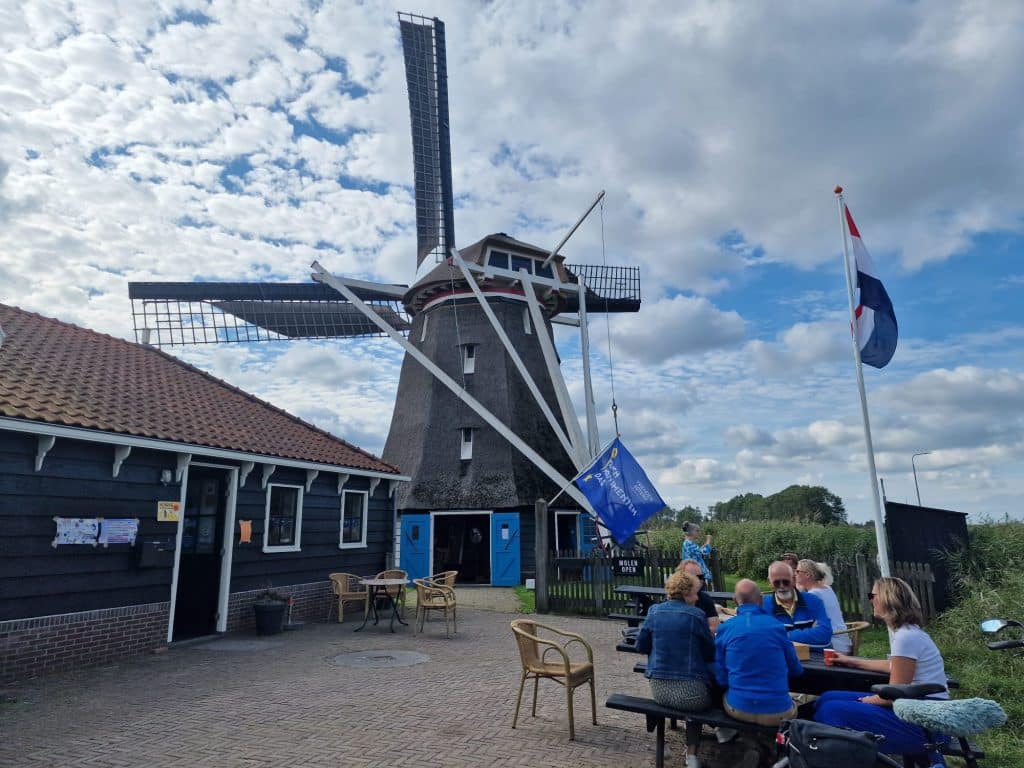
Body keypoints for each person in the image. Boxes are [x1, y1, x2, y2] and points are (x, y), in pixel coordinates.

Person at [814, 577, 949, 760]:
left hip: (926, 720)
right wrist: (850, 660)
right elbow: (895, 666)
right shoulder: (908, 632)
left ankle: (842, 760)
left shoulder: (906, 637)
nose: (870, 599)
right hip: (919, 708)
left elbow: (893, 694)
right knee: (827, 698)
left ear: (887, 599)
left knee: (832, 710)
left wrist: (864, 701)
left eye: (873, 595)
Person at [635, 571, 715, 768]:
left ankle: (677, 749)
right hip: (692, 695)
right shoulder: (697, 615)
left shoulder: (654, 611)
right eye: (695, 593)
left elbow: (640, 646)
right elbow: (709, 653)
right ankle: (694, 753)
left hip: (659, 690)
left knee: (695, 693)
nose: (697, 597)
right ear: (686, 593)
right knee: (710, 690)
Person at [715, 579, 803, 728]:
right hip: (777, 712)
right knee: (802, 701)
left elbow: (721, 676)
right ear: (761, 599)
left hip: (739, 708)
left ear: (735, 601)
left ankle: (749, 743)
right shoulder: (776, 626)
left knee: (724, 698)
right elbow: (796, 670)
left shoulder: (726, 628)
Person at [762, 560, 832, 647]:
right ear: (770, 582)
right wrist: (810, 633)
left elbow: (824, 634)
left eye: (786, 582)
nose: (781, 586)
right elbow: (762, 639)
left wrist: (786, 635)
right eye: (776, 582)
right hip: (780, 658)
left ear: (794, 579)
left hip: (814, 656)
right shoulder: (763, 607)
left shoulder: (813, 601)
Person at [795, 559, 851, 653]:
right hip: (843, 640)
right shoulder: (827, 588)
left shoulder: (813, 595)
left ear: (807, 575)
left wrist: (799, 592)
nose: (795, 574)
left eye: (797, 571)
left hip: (831, 643)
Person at [678, 558, 720, 633]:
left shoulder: (705, 598)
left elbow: (715, 627)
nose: (700, 580)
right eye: (695, 577)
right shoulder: (673, 599)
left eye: (701, 577)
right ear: (682, 578)